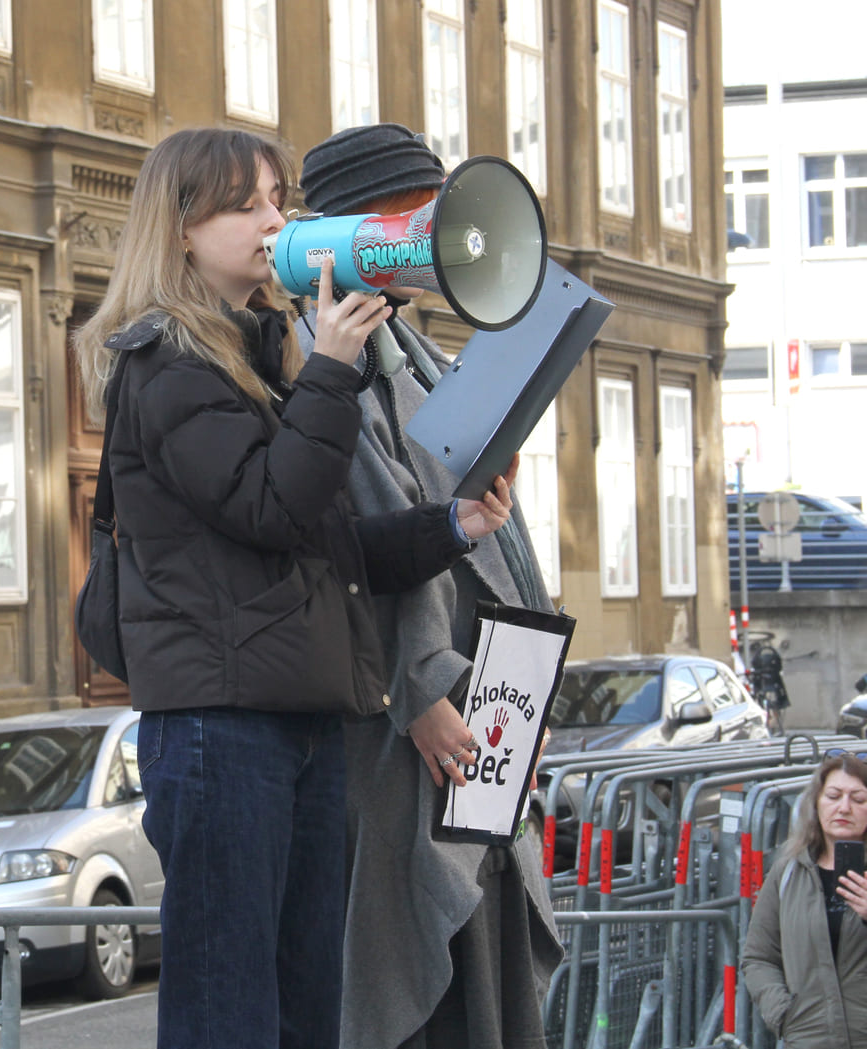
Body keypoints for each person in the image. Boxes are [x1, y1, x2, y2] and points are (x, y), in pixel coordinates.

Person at [74, 127, 520, 1049]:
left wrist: (452, 526)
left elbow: (334, 553)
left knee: (308, 1000)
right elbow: (271, 506)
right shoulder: (164, 366)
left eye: (278, 199)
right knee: (228, 1005)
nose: (275, 221)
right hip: (218, 723)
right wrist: (328, 370)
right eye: (249, 204)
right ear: (183, 227)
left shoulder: (259, 358)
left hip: (298, 714)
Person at [295, 123, 563, 1049]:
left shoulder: (413, 349)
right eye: (421, 213)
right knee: (420, 952)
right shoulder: (321, 354)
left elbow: (457, 520)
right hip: (412, 721)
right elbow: (369, 532)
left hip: (482, 699)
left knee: (482, 958)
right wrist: (417, 689)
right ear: (368, 227)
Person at [741, 751, 867, 1049]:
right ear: (816, 804)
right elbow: (758, 956)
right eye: (833, 796)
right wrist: (784, 1013)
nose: (844, 808)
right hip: (812, 1036)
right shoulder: (789, 871)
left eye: (858, 799)